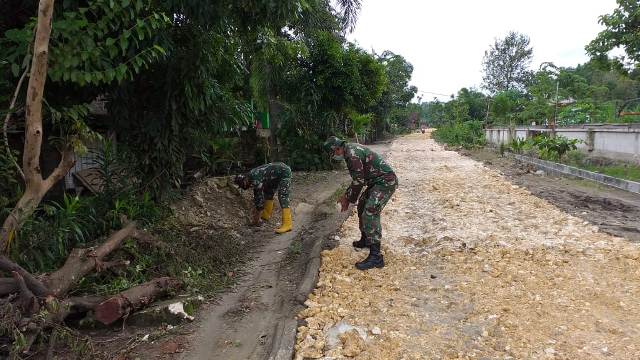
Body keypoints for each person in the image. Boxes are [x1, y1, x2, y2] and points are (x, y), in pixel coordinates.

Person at [323, 136, 398, 270]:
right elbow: (358, 180)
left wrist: (348, 199)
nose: (334, 156)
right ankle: (366, 239)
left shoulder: (352, 155)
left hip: (385, 182)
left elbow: (359, 181)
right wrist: (346, 196)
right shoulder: (349, 150)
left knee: (370, 211)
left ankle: (376, 257)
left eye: (333, 153)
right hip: (376, 182)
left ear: (337, 149)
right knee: (362, 206)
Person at [234, 162, 293, 234]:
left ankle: (287, 224)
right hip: (274, 175)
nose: (244, 187)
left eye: (242, 184)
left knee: (283, 196)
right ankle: (266, 215)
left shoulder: (255, 177)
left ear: (245, 179)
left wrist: (256, 219)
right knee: (268, 193)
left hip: (284, 172)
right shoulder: (251, 176)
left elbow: (258, 198)